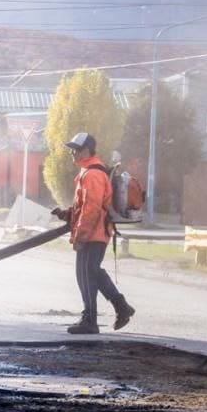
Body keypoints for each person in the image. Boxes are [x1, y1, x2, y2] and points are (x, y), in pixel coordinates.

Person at [52, 132, 135, 334]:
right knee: (90, 272)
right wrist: (67, 215)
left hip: (94, 234)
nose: (72, 153)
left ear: (86, 150)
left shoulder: (93, 175)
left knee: (87, 273)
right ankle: (120, 307)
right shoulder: (86, 173)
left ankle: (91, 320)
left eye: (75, 149)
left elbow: (91, 209)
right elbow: (83, 207)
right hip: (93, 232)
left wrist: (80, 236)